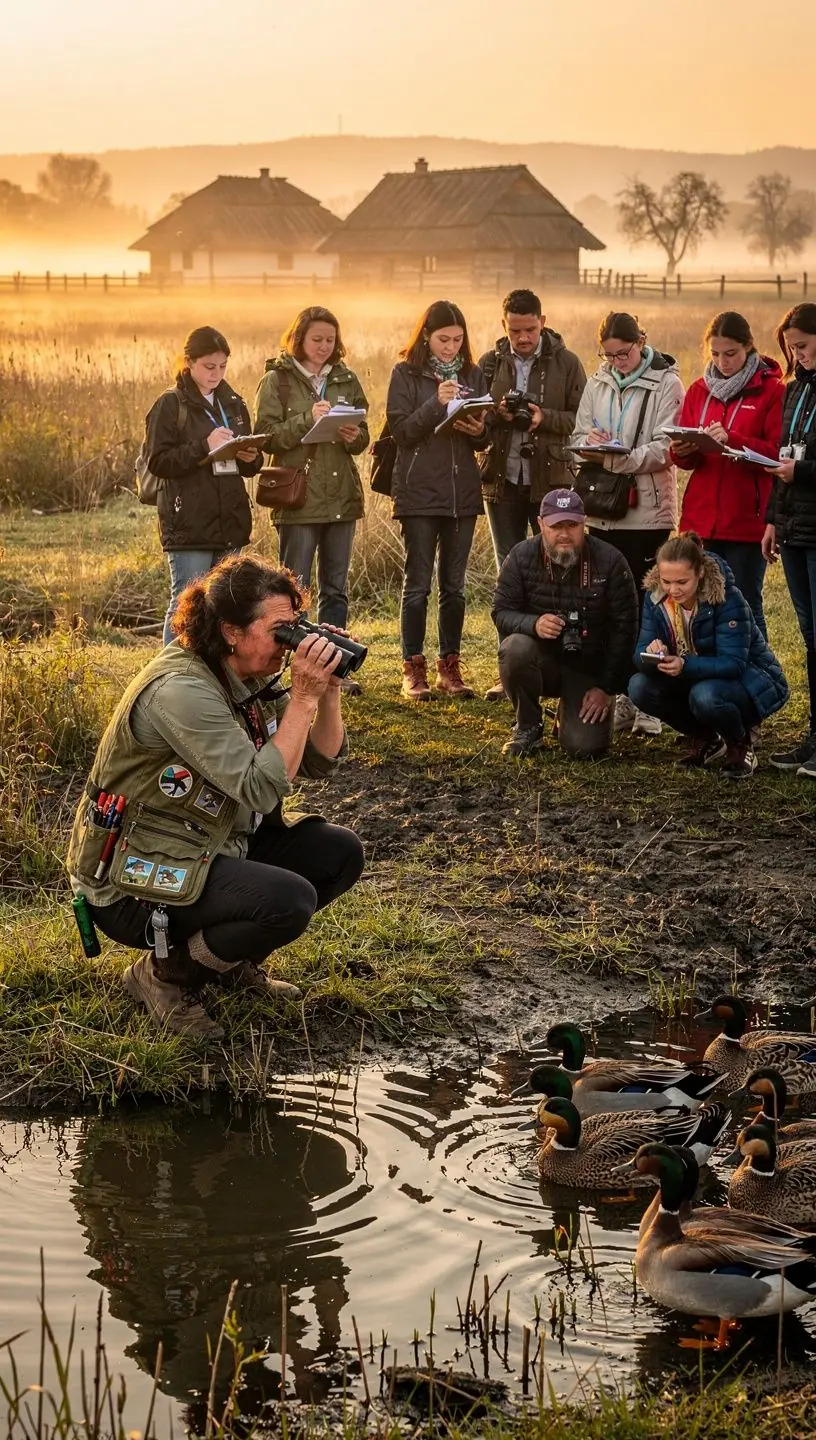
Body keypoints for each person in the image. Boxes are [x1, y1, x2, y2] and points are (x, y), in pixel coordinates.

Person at [66, 555, 365, 1039]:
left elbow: (317, 761)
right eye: (281, 630)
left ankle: (225, 962)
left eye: (296, 626)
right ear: (231, 630)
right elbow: (262, 785)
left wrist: (327, 690)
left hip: (207, 844)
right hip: (133, 877)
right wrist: (303, 698)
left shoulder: (246, 674)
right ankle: (166, 976)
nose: (290, 642)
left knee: (339, 853)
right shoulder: (181, 690)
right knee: (288, 901)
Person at [570, 312, 685, 737]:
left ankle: (650, 700)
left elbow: (666, 446)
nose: (617, 361)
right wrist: (590, 445)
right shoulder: (598, 380)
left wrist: (621, 457)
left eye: (625, 353)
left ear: (642, 341)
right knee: (606, 608)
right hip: (601, 508)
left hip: (647, 511)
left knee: (647, 607)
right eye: (610, 355)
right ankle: (619, 694)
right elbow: (580, 431)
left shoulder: (666, 382)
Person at [477, 288, 587, 700]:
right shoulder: (488, 363)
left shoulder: (568, 362)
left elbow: (582, 419)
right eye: (515, 329)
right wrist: (496, 415)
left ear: (543, 321)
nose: (522, 337)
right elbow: (475, 421)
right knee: (510, 573)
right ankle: (510, 668)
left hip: (551, 482)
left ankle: (557, 662)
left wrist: (545, 418)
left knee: (557, 570)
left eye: (529, 329)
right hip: (501, 480)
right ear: (503, 324)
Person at [254, 306, 369, 692]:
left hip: (340, 498)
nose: (323, 347)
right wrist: (309, 420)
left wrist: (355, 435)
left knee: (336, 588)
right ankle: (287, 671)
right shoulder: (277, 380)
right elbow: (266, 437)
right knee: (293, 592)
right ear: (299, 338)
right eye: (316, 339)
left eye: (330, 340)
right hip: (298, 499)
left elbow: (364, 436)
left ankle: (336, 671)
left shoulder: (346, 378)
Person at [386, 299, 488, 701]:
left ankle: (451, 666)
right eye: (444, 339)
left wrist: (479, 427)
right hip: (419, 493)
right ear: (426, 336)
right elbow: (401, 432)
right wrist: (436, 404)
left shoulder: (473, 372)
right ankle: (413, 667)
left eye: (458, 340)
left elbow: (484, 438)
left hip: (462, 493)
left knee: (455, 587)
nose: (451, 348)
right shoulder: (404, 373)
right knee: (418, 586)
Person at [492, 488, 639, 759]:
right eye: (556, 525)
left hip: (588, 666)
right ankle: (528, 726)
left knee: (585, 749)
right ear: (540, 524)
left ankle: (568, 715)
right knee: (515, 648)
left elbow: (627, 629)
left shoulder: (611, 561)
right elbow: (500, 611)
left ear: (584, 523)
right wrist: (533, 624)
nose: (564, 533)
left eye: (572, 525)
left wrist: (608, 688)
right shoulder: (521, 556)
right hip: (541, 658)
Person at [629, 533, 788, 780]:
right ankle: (706, 738)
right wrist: (652, 654)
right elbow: (638, 655)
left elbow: (734, 664)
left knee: (705, 696)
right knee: (638, 686)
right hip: (692, 676)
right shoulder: (654, 597)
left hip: (750, 680)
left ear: (700, 572)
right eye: (666, 581)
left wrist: (684, 664)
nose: (673, 589)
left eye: (682, 581)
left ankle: (740, 742)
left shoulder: (728, 598)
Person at [142, 326, 264, 646]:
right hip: (189, 520)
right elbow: (158, 462)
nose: (217, 374)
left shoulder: (234, 403)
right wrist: (203, 446)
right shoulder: (170, 404)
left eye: (223, 366)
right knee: (185, 603)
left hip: (230, 517)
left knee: (222, 605)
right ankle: (169, 679)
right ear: (189, 361)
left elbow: (250, 467)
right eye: (209, 366)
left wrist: (251, 457)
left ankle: (211, 677)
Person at [671, 311, 783, 639]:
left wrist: (732, 440)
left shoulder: (772, 391)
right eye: (715, 353)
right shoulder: (697, 390)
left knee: (745, 605)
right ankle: (712, 681)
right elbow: (685, 461)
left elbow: (776, 454)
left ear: (749, 347)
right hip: (701, 520)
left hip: (746, 521)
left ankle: (760, 677)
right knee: (703, 606)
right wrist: (683, 449)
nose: (723, 362)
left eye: (731, 353)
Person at [762, 302, 816, 777]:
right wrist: (772, 520)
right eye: (790, 348)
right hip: (795, 528)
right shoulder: (795, 390)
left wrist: (802, 470)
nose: (795, 355)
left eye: (802, 345)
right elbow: (782, 457)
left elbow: (795, 465)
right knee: (809, 637)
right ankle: (814, 737)